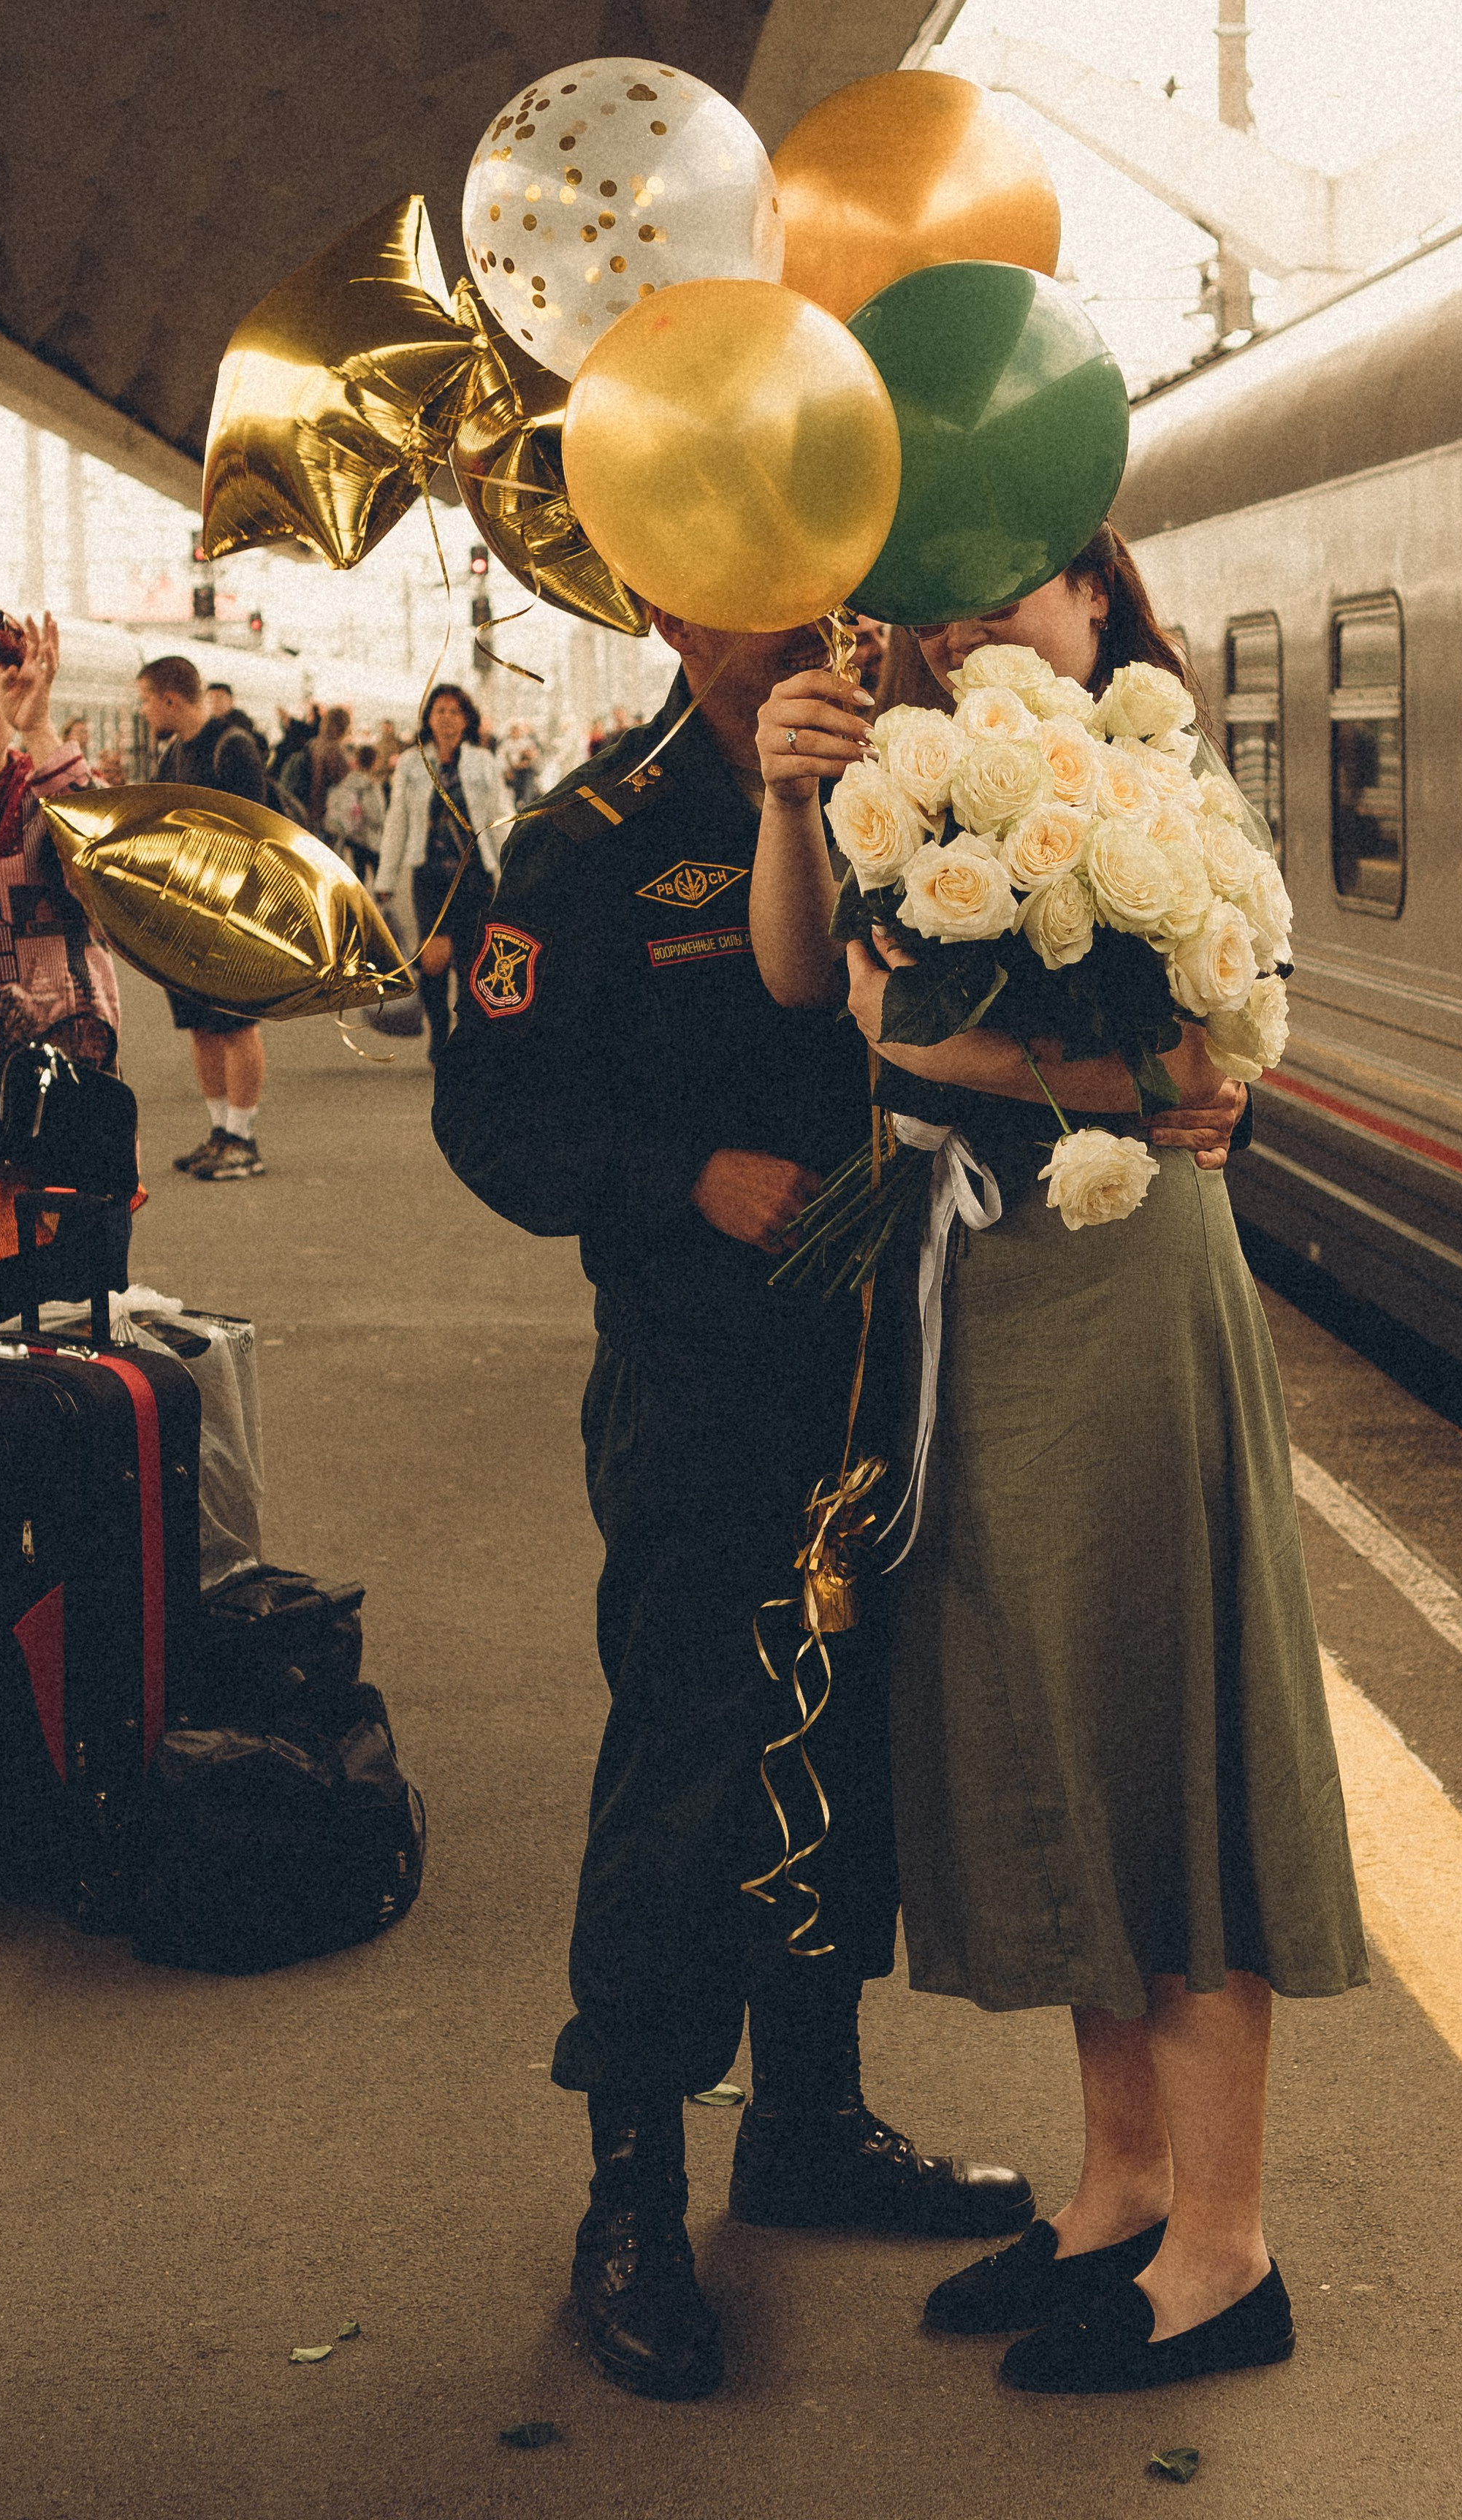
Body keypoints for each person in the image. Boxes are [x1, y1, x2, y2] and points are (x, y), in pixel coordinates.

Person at [749, 523, 1367, 2399]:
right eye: (937, 607)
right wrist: (791, 802)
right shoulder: (914, 775)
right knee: (1057, 1730)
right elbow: (812, 984)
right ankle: (1119, 2190)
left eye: (1006, 589)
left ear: (1098, 592)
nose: (963, 631)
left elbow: (1182, 1074)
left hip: (1117, 1293)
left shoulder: (1165, 790)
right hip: (983, 1294)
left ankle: (1223, 2248)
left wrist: (951, 1054)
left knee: (1154, 1732)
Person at [432, 615, 1040, 2407]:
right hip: (699, 1371)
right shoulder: (588, 841)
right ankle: (629, 2183)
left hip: (885, 1358)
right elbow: (489, 1112)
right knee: (691, 1750)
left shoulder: (909, 790)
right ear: (667, 600)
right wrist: (680, 1173)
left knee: (838, 1735)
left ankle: (805, 2117)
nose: (790, 603)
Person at [0, 606, 124, 1324]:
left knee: (58, 1346)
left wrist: (42, 731)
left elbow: (114, 876)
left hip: (49, 1120)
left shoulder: (43, 799)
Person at [134, 654, 270, 1182]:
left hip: (229, 914)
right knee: (201, 1027)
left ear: (171, 699)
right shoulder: (176, 753)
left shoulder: (232, 747)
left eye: (147, 700)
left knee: (235, 1026)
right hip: (186, 913)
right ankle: (220, 1131)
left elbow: (256, 835)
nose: (145, 711)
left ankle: (244, 1139)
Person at [375, 683, 504, 1066]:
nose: (447, 718)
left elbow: (500, 815)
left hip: (475, 874)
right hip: (429, 875)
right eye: (440, 711)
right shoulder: (412, 763)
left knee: (470, 960)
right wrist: (385, 879)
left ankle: (464, 1039)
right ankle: (439, 1031)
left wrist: (514, 867)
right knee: (433, 958)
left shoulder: (483, 762)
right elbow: (397, 820)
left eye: (454, 711)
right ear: (429, 719)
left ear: (466, 720)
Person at [323, 741, 385, 882]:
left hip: (352, 838)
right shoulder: (370, 786)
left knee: (358, 877)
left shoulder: (347, 782)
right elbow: (376, 816)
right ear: (374, 762)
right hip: (371, 839)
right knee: (379, 879)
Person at [305, 703, 353, 833]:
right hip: (323, 812)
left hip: (307, 806)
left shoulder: (313, 744)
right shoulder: (334, 750)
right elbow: (340, 781)